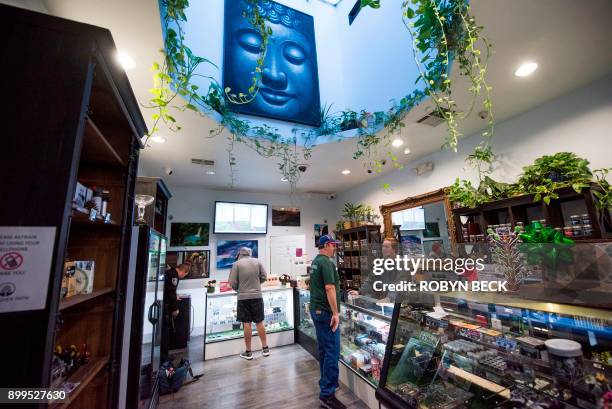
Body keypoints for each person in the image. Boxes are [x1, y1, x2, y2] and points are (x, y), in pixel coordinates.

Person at [309, 234, 346, 409]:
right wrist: (335, 313)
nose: (335, 248)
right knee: (332, 351)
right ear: (326, 245)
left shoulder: (315, 261)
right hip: (326, 312)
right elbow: (330, 288)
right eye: (333, 245)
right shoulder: (326, 262)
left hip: (317, 310)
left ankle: (325, 386)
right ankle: (327, 395)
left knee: (324, 350)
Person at [228, 247, 269, 360]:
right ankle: (265, 349)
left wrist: (240, 288)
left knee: (247, 323)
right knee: (260, 322)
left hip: (243, 298)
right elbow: (264, 277)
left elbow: (232, 282)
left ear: (239, 254)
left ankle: (248, 352)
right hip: (257, 296)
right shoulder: (258, 262)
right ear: (250, 253)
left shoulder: (236, 264)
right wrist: (256, 284)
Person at [161, 262, 190, 361]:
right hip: (167, 306)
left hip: (164, 303)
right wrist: (175, 309)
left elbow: (170, 290)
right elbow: (171, 292)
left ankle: (164, 355)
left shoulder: (170, 272)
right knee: (165, 332)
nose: (182, 277)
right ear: (183, 271)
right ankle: (164, 357)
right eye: (184, 275)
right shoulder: (174, 276)